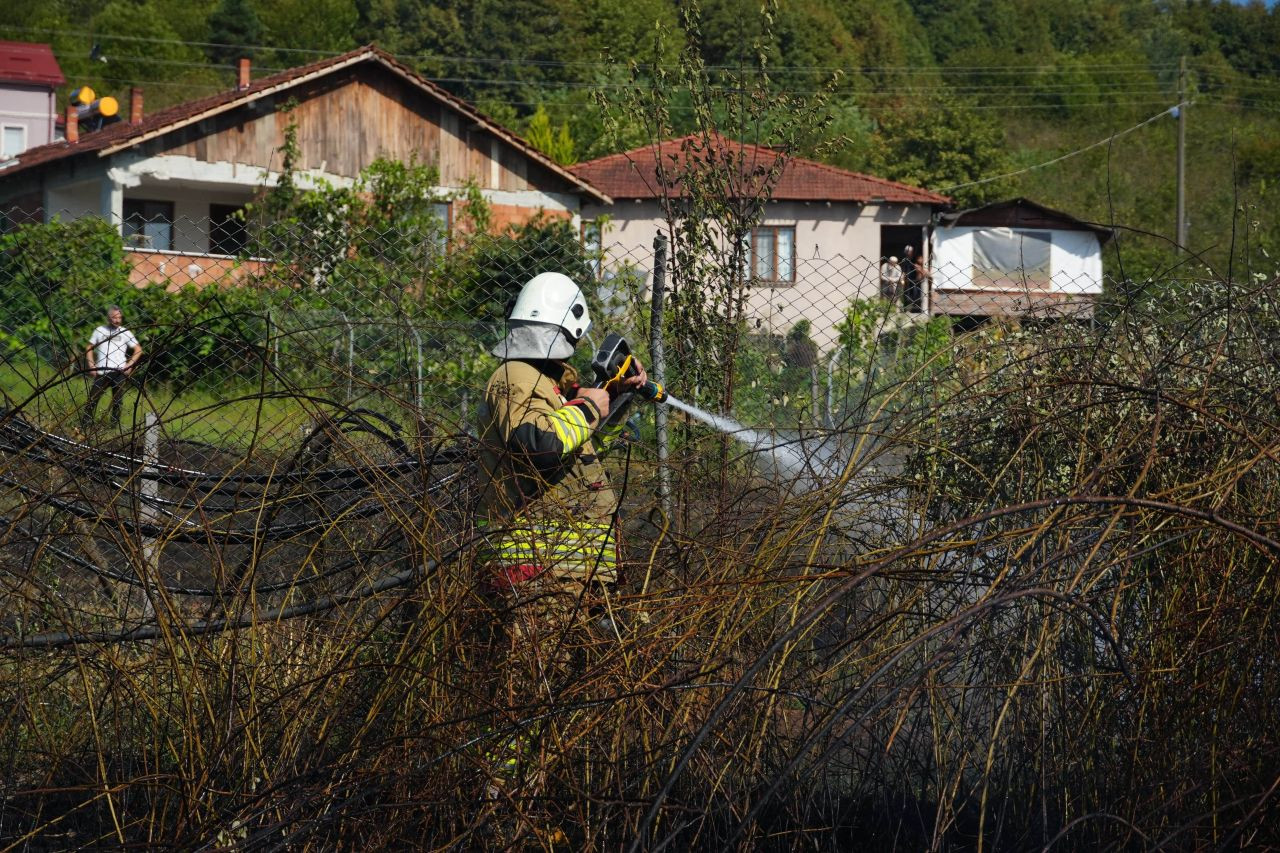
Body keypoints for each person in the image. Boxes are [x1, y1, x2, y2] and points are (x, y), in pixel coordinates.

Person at [473, 271, 652, 810]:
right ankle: (499, 806)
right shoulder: (514, 379)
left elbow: (577, 442)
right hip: (539, 572)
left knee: (570, 686)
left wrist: (616, 395)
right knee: (528, 694)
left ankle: (536, 797)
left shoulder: (546, 382)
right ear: (568, 324)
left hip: (572, 574)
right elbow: (541, 444)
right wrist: (592, 406)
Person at [82, 306, 142, 429]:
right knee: (92, 399)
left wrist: (129, 365)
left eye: (119, 317)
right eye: (114, 317)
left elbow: (138, 349)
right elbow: (89, 347)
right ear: (108, 318)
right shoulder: (99, 330)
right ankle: (85, 425)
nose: (117, 320)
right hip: (101, 371)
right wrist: (91, 364)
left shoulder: (125, 332)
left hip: (119, 372)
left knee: (117, 401)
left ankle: (113, 427)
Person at [901, 245, 923, 313]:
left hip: (915, 280)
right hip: (907, 280)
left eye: (910, 252)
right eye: (907, 252)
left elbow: (918, 266)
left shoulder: (914, 260)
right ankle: (907, 309)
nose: (909, 253)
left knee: (916, 294)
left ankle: (915, 309)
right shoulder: (904, 260)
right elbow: (903, 269)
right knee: (907, 294)